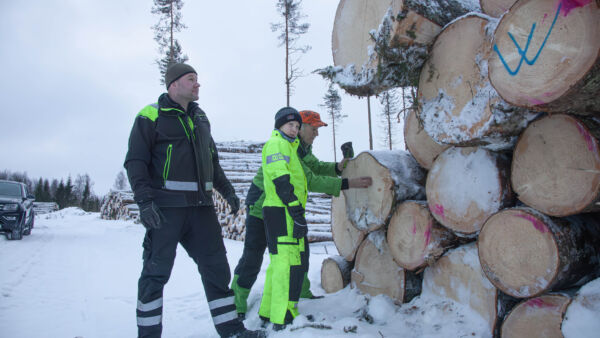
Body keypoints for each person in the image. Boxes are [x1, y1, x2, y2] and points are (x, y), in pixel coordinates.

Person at [124, 63, 264, 338]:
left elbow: (212, 161)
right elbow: (135, 162)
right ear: (173, 84)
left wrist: (227, 191)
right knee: (155, 274)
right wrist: (144, 202)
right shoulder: (150, 116)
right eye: (191, 79)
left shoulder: (201, 119)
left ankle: (232, 331)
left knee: (217, 270)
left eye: (198, 79)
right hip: (166, 210)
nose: (197, 84)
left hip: (201, 210)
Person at [231, 109, 372, 320]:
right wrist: (347, 183)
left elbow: (314, 167)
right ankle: (237, 302)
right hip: (264, 207)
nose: (316, 134)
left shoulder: (301, 148)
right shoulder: (285, 146)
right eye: (313, 129)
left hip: (286, 208)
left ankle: (299, 292)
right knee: (254, 255)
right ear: (301, 127)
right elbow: (310, 179)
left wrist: (337, 167)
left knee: (300, 252)